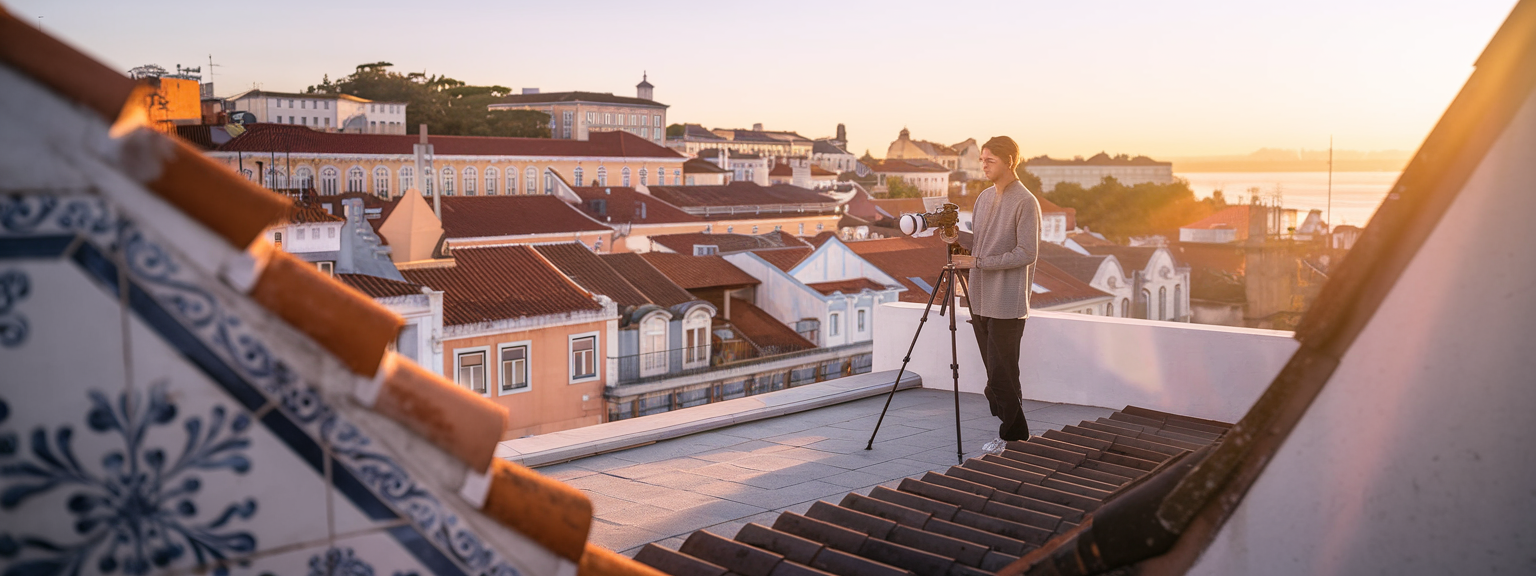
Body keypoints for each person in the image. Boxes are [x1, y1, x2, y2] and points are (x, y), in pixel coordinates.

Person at [952, 136, 1040, 454]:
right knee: (998, 376)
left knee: (1001, 377)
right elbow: (981, 244)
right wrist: (954, 239)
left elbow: (1026, 253)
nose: (984, 166)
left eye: (990, 160)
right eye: (982, 160)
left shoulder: (1025, 201)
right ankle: (1016, 437)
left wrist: (977, 263)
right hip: (979, 298)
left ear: (1010, 161)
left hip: (1007, 302)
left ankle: (1013, 436)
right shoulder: (984, 197)